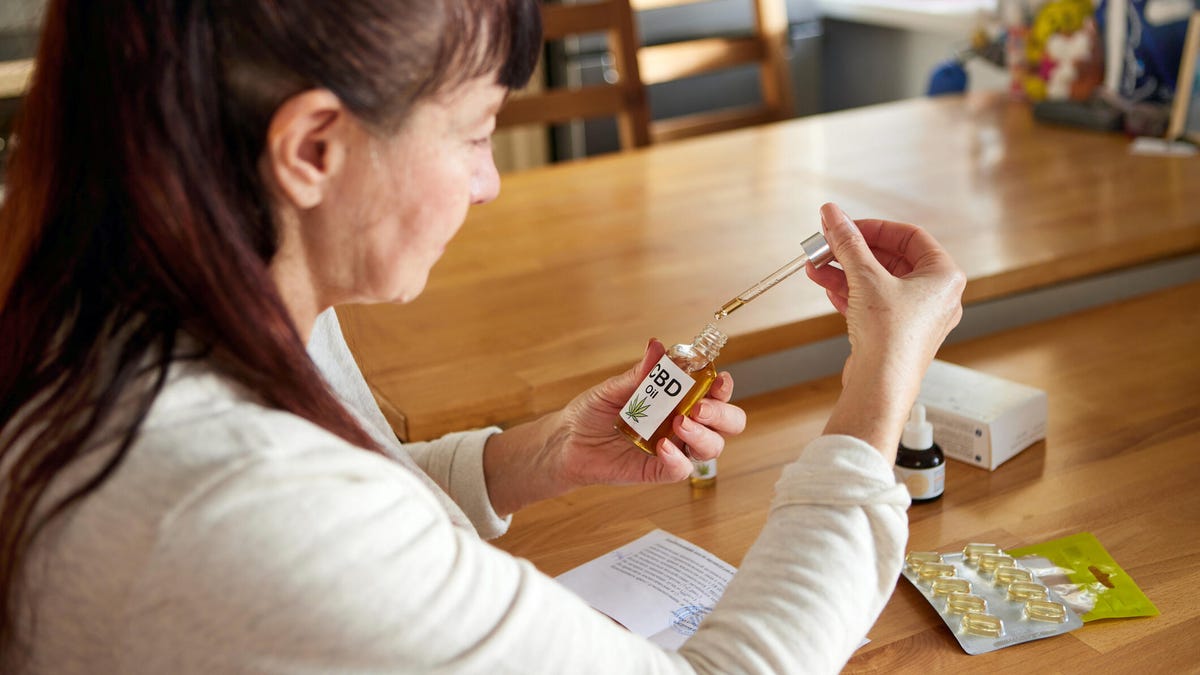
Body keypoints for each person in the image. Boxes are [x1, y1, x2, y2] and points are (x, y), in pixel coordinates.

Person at [0, 1, 965, 673]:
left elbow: (355, 484)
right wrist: (881, 383)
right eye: (476, 131)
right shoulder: (235, 499)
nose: (490, 180)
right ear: (312, 148)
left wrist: (532, 458)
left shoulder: (164, 303)